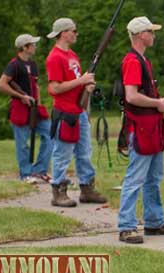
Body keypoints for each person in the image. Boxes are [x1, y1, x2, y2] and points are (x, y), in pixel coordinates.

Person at [117, 16, 164, 244]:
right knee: (135, 178)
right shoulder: (133, 61)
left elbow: (146, 96)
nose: (153, 35)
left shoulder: (144, 61)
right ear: (139, 35)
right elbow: (131, 96)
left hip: (152, 127)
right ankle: (126, 227)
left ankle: (154, 223)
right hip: (142, 129)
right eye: (150, 31)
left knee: (154, 178)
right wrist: (157, 103)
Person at [45, 18, 107, 207]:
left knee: (84, 152)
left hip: (79, 112)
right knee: (62, 153)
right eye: (73, 30)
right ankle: (58, 191)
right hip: (65, 113)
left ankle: (87, 189)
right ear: (63, 33)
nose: (76, 33)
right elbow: (55, 88)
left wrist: (86, 88)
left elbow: (77, 85)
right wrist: (81, 82)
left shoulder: (72, 55)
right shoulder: (54, 57)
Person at [0, 34, 52, 184]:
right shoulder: (13, 65)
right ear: (24, 47)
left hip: (35, 108)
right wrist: (20, 96)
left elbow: (36, 86)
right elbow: (1, 85)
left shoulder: (33, 65)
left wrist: (38, 103)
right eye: (32, 44)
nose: (35, 46)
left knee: (50, 135)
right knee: (22, 143)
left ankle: (40, 170)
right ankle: (26, 174)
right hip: (20, 108)